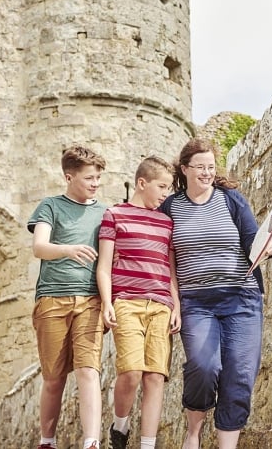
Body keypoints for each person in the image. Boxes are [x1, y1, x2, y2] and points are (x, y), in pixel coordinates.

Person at [159, 139, 272, 449]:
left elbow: (255, 242)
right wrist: (172, 302)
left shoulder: (231, 200)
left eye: (211, 167)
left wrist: (271, 247)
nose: (207, 173)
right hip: (196, 303)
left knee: (240, 373)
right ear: (184, 169)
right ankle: (193, 433)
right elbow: (165, 261)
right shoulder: (170, 208)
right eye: (200, 167)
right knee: (203, 365)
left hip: (242, 298)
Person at [97, 157, 181, 449]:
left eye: (169, 188)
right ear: (142, 183)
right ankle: (120, 425)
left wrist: (176, 307)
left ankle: (147, 445)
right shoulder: (114, 214)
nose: (165, 194)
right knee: (131, 372)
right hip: (126, 303)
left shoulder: (166, 222)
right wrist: (107, 303)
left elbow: (168, 268)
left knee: (155, 377)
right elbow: (104, 266)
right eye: (161, 186)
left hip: (160, 306)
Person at [28, 145, 109, 449]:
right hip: (52, 298)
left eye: (98, 177)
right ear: (69, 176)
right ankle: (47, 441)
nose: (95, 183)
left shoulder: (105, 212)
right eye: (89, 177)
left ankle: (92, 441)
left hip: (90, 300)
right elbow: (39, 247)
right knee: (54, 377)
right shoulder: (50, 206)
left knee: (89, 370)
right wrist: (68, 250)